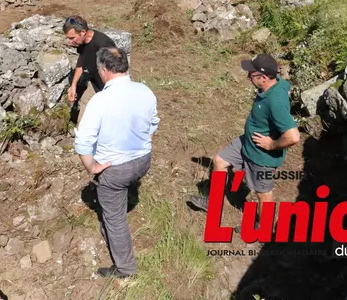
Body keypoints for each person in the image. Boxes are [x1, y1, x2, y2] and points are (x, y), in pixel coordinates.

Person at [187, 53, 300, 232]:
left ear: (264, 78)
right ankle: (212, 204)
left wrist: (271, 144)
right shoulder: (274, 83)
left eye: (251, 75)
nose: (248, 77)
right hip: (247, 142)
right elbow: (283, 84)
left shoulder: (275, 102)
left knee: (263, 194)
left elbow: (293, 136)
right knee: (219, 161)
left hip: (262, 156)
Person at [74, 47, 160, 279]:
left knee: (114, 219)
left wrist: (92, 168)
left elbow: (82, 142)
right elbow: (153, 124)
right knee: (121, 190)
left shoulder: (100, 101)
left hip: (116, 170)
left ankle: (125, 268)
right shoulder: (145, 91)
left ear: (103, 70)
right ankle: (122, 201)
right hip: (143, 161)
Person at [63, 15, 116, 124]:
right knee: (85, 101)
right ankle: (81, 136)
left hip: (112, 88)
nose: (70, 42)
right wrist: (73, 85)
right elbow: (82, 59)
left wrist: (107, 95)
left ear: (82, 32)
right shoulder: (82, 42)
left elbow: (116, 73)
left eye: (72, 38)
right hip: (96, 83)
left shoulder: (104, 45)